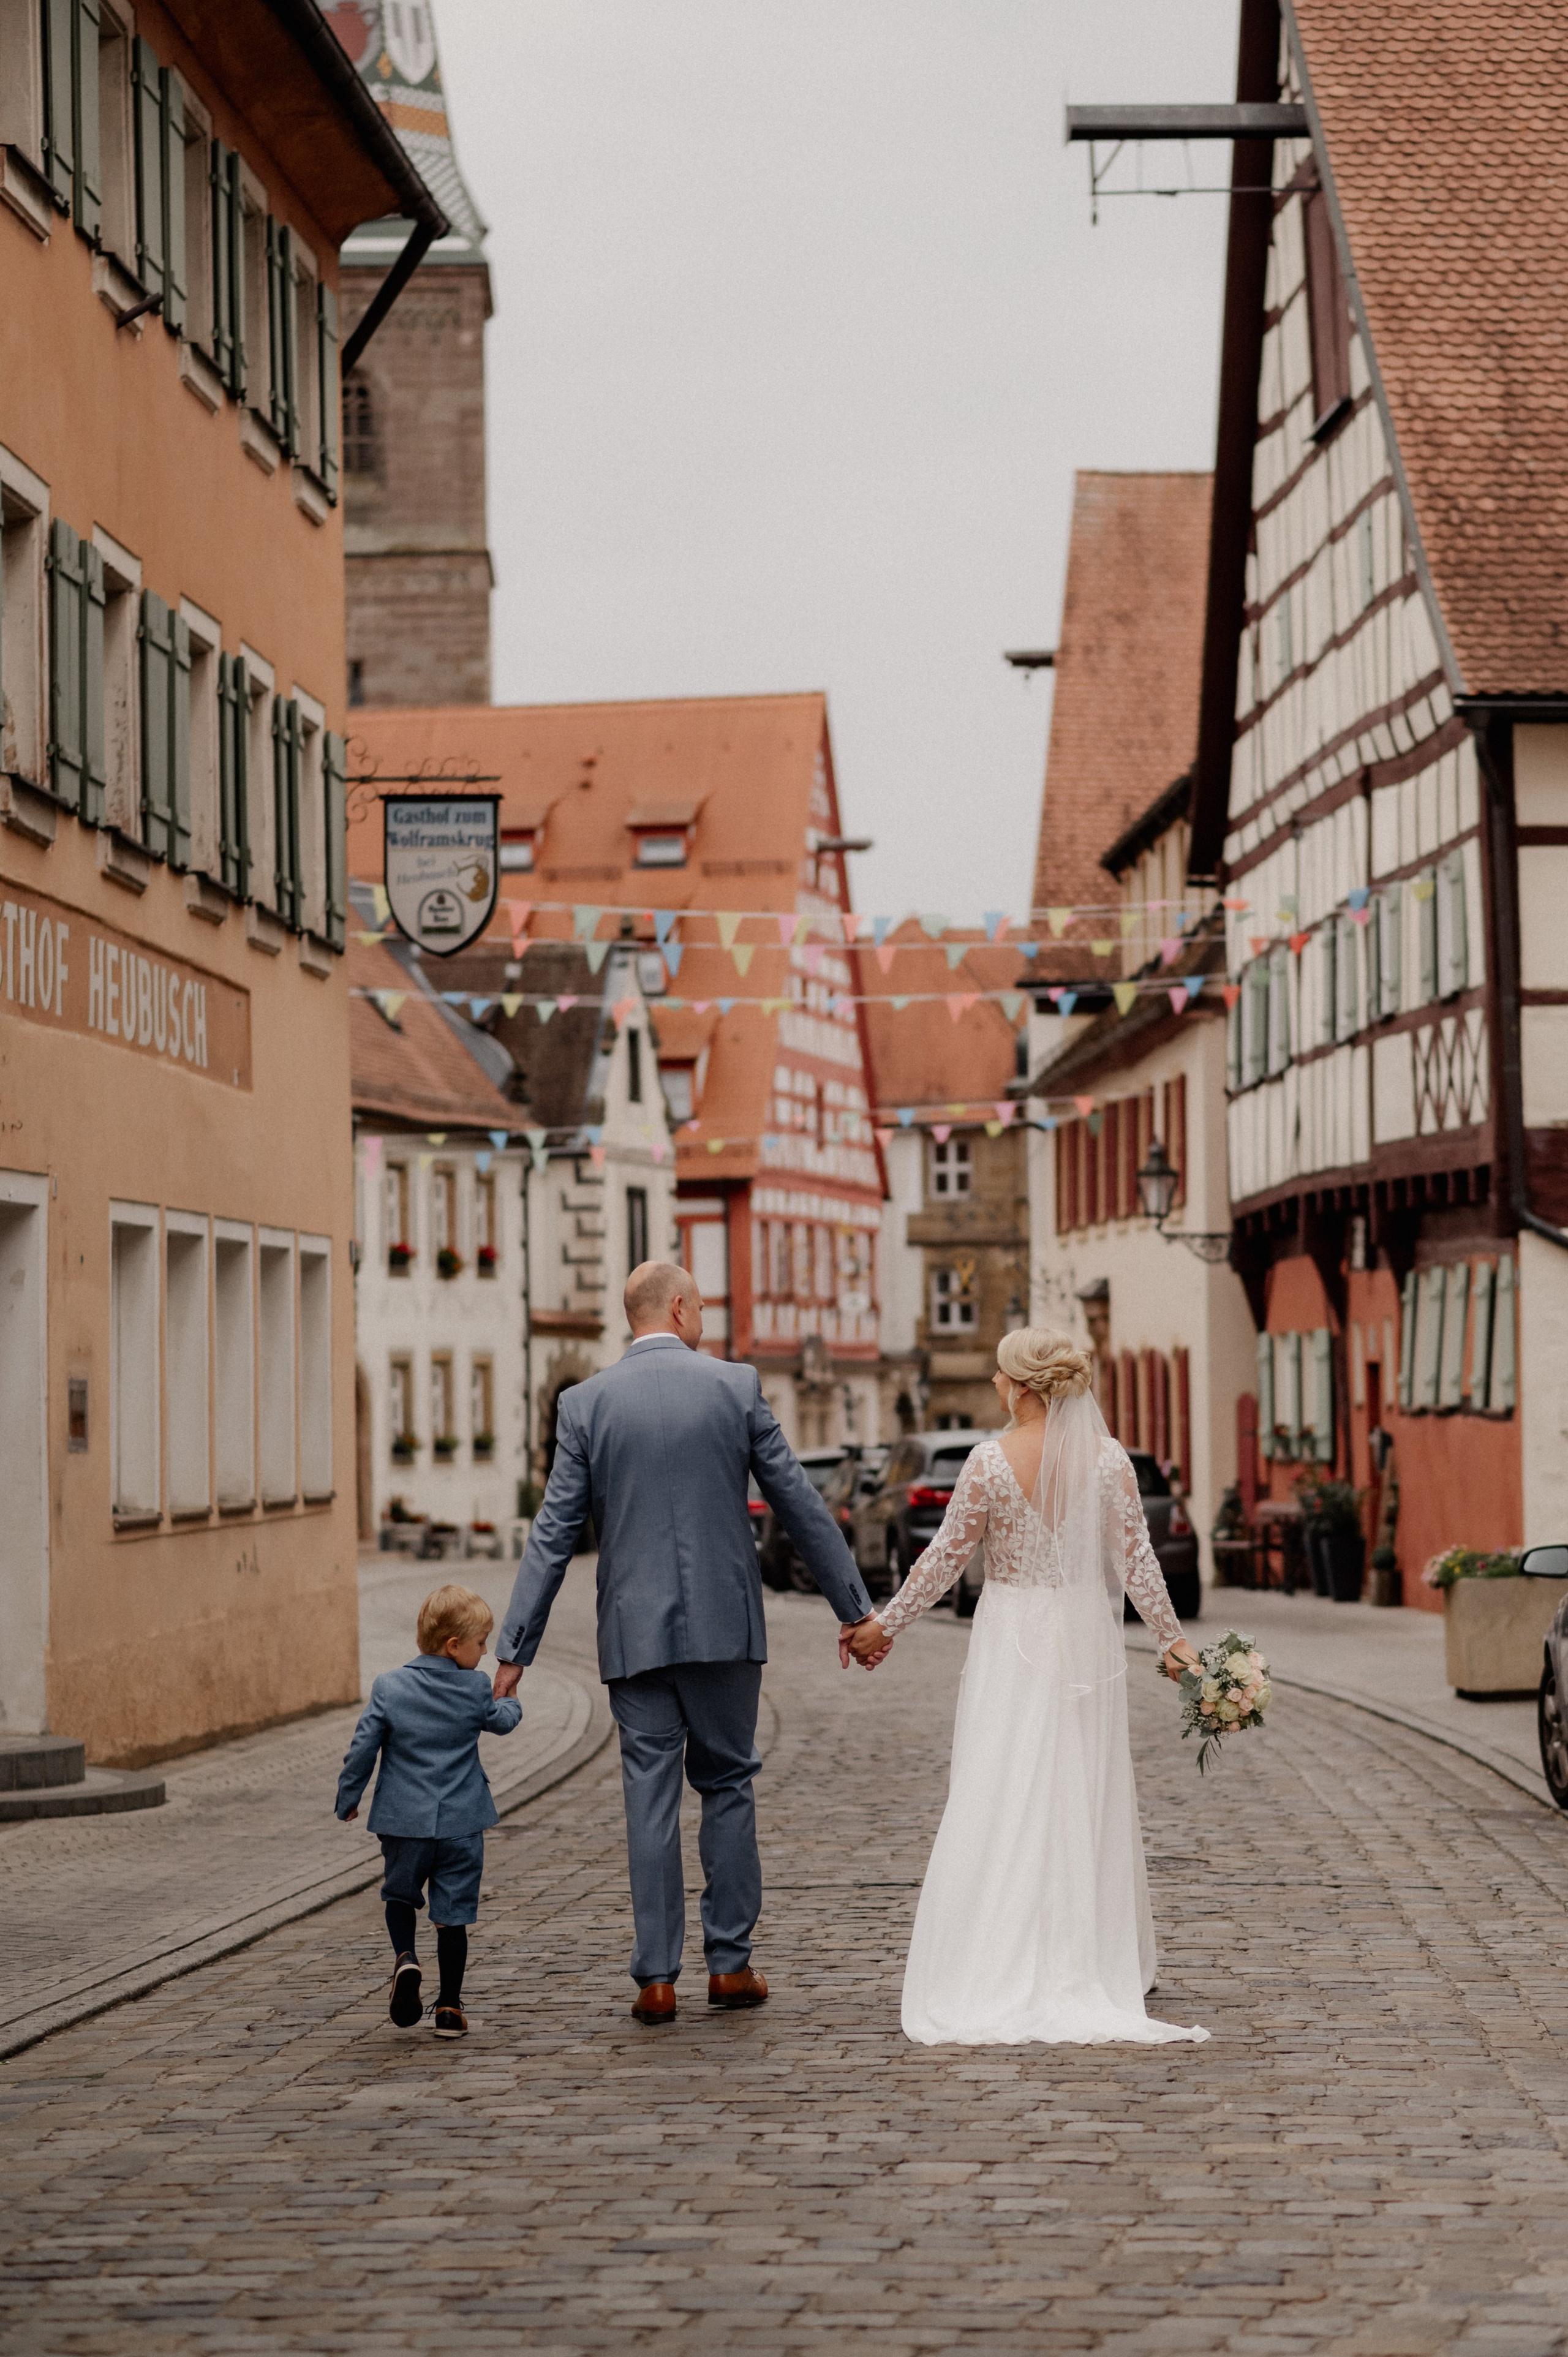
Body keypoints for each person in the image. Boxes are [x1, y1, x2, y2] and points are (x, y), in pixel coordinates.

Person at [492, 1259, 882, 2025]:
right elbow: (797, 1499)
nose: (704, 1316)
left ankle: (657, 1977)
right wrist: (853, 1606)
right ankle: (730, 1965)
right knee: (728, 1783)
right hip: (723, 1627)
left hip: (634, 1630)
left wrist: (516, 1648)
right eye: (700, 1305)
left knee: (650, 1796)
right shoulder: (733, 1387)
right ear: (678, 1307)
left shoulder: (584, 1403)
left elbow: (552, 1534)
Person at [843, 1326, 1208, 2048]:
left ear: (1023, 1384)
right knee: (1081, 1783)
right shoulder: (1110, 1463)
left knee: (1002, 1780)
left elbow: (943, 1558)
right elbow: (1139, 1566)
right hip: (1080, 1628)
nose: (993, 1386)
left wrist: (886, 1624)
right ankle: (1088, 1946)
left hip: (1012, 1632)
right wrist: (1174, 1642)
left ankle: (999, 1946)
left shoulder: (987, 1461)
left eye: (1000, 1374)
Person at [336, 1583, 522, 2040]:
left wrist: (349, 1796)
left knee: (400, 1897)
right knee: (452, 1914)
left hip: (404, 1823)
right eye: (480, 1644)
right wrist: (510, 1697)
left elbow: (364, 1747)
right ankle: (450, 2008)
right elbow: (502, 1723)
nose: (484, 1654)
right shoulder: (476, 1686)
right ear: (453, 1645)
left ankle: (406, 1959)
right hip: (461, 1823)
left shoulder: (390, 1686)